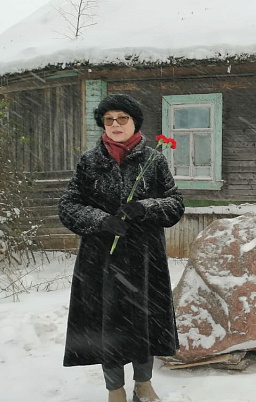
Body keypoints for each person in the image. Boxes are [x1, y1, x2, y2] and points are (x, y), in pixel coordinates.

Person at [59, 94, 184, 402]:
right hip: (101, 260)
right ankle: (115, 389)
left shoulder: (153, 160)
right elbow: (69, 206)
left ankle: (144, 384)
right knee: (108, 326)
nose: (115, 125)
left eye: (122, 119)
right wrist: (102, 220)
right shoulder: (90, 162)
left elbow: (175, 204)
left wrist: (145, 207)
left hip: (144, 260)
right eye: (109, 120)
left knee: (144, 324)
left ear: (134, 122)